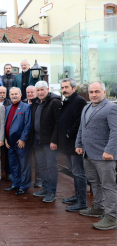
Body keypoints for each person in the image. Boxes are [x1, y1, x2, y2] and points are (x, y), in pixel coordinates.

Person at [76, 81, 117, 230]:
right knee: (94, 182)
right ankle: (98, 207)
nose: (94, 94)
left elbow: (115, 132)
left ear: (104, 92)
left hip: (104, 155)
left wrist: (110, 150)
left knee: (109, 185)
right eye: (91, 92)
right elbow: (82, 128)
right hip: (88, 153)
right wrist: (78, 144)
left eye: (97, 92)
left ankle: (112, 216)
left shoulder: (111, 108)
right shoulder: (86, 107)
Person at [58, 78, 88, 212]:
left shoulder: (79, 101)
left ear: (74, 88)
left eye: (66, 87)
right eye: (62, 87)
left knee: (79, 172)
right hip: (68, 144)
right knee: (74, 172)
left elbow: (79, 122)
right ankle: (77, 196)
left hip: (76, 143)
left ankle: (82, 202)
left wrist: (68, 134)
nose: (64, 90)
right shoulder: (67, 101)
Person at [30, 81, 62, 203]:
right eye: (38, 90)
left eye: (42, 89)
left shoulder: (55, 102)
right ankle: (45, 188)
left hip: (50, 142)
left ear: (48, 89)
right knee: (42, 166)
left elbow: (58, 123)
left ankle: (51, 191)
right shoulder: (36, 103)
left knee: (51, 167)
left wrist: (54, 140)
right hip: (37, 141)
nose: (40, 92)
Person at [4, 87, 32, 195]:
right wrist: (5, 139)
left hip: (21, 142)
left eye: (16, 94)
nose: (14, 96)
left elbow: (27, 125)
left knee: (24, 165)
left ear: (21, 95)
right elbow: (6, 125)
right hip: (10, 143)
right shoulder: (8, 108)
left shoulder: (26, 107)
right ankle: (15, 184)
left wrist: (23, 139)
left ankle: (24, 186)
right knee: (13, 165)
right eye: (12, 94)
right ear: (9, 96)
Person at [23, 85, 41, 187]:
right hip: (25, 136)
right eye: (28, 92)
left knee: (38, 159)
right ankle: (26, 178)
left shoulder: (39, 103)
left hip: (36, 136)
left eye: (32, 92)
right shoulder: (24, 102)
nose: (30, 94)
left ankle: (38, 179)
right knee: (26, 159)